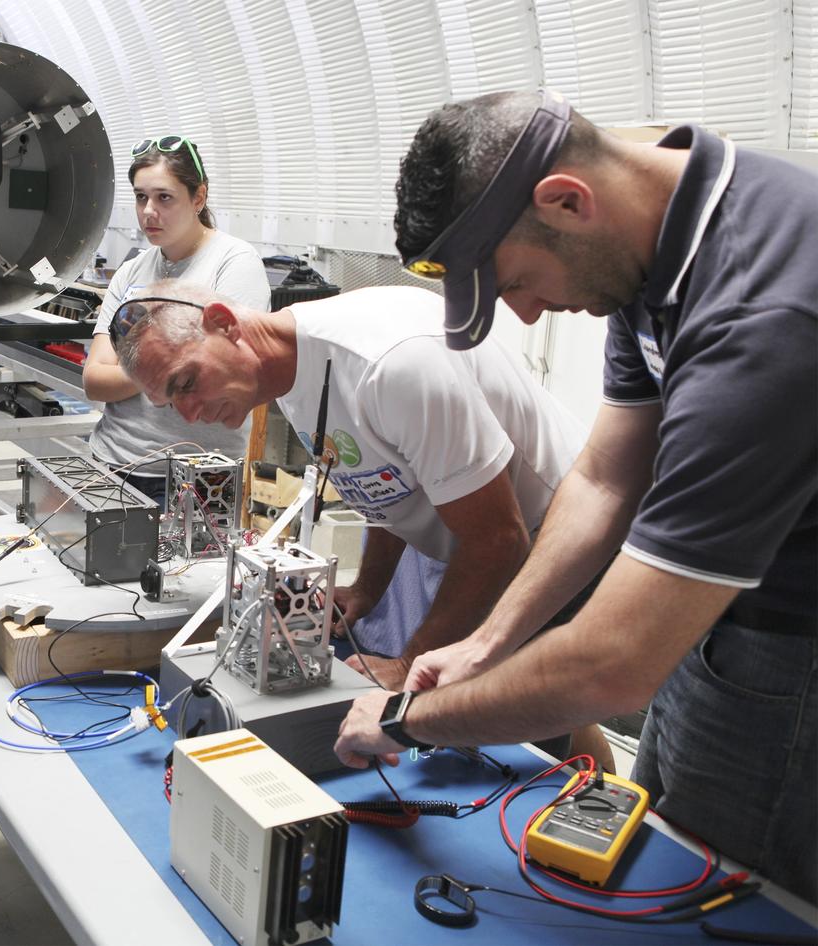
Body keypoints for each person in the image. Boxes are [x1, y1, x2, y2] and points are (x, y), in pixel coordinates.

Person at [334, 89, 817, 904]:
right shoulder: (655, 253)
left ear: (567, 201)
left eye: (517, 281)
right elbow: (606, 476)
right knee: (662, 842)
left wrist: (402, 721)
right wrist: (489, 642)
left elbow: (613, 667)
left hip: (792, 653)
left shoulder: (764, 315)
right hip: (719, 619)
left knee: (731, 894)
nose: (523, 313)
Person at [111, 279, 595, 704]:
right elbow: (384, 479)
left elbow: (498, 540)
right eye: (171, 403)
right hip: (503, 538)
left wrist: (409, 665)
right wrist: (368, 588)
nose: (191, 414)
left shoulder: (391, 364)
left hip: (565, 539)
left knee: (530, 717)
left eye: (187, 382)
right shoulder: (287, 371)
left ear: (223, 323)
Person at [81, 135, 268, 503]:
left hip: (196, 477)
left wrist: (137, 367)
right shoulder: (131, 272)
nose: (149, 211)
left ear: (198, 197)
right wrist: (169, 368)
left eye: (164, 197)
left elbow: (217, 377)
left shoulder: (234, 264)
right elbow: (94, 380)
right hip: (112, 462)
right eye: (140, 197)